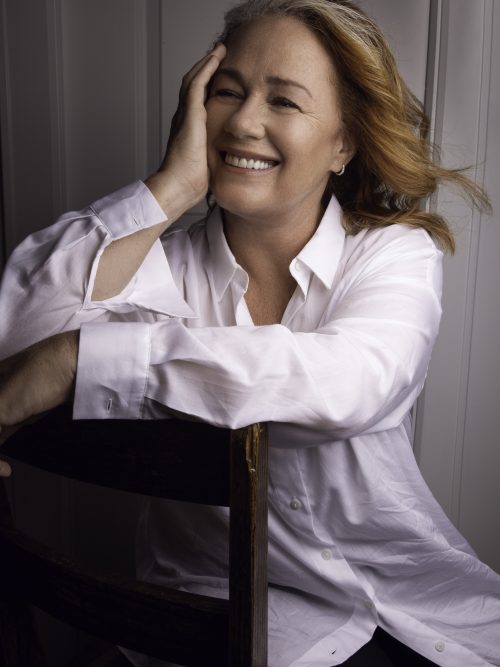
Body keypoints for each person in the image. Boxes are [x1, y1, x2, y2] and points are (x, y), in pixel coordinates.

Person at [0, 0, 499, 665]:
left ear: (343, 144)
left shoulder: (392, 254)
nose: (242, 121)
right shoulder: (156, 265)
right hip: (207, 609)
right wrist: (172, 186)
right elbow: (13, 336)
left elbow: (356, 380)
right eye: (225, 92)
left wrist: (78, 359)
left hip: (400, 608)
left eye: (284, 102)